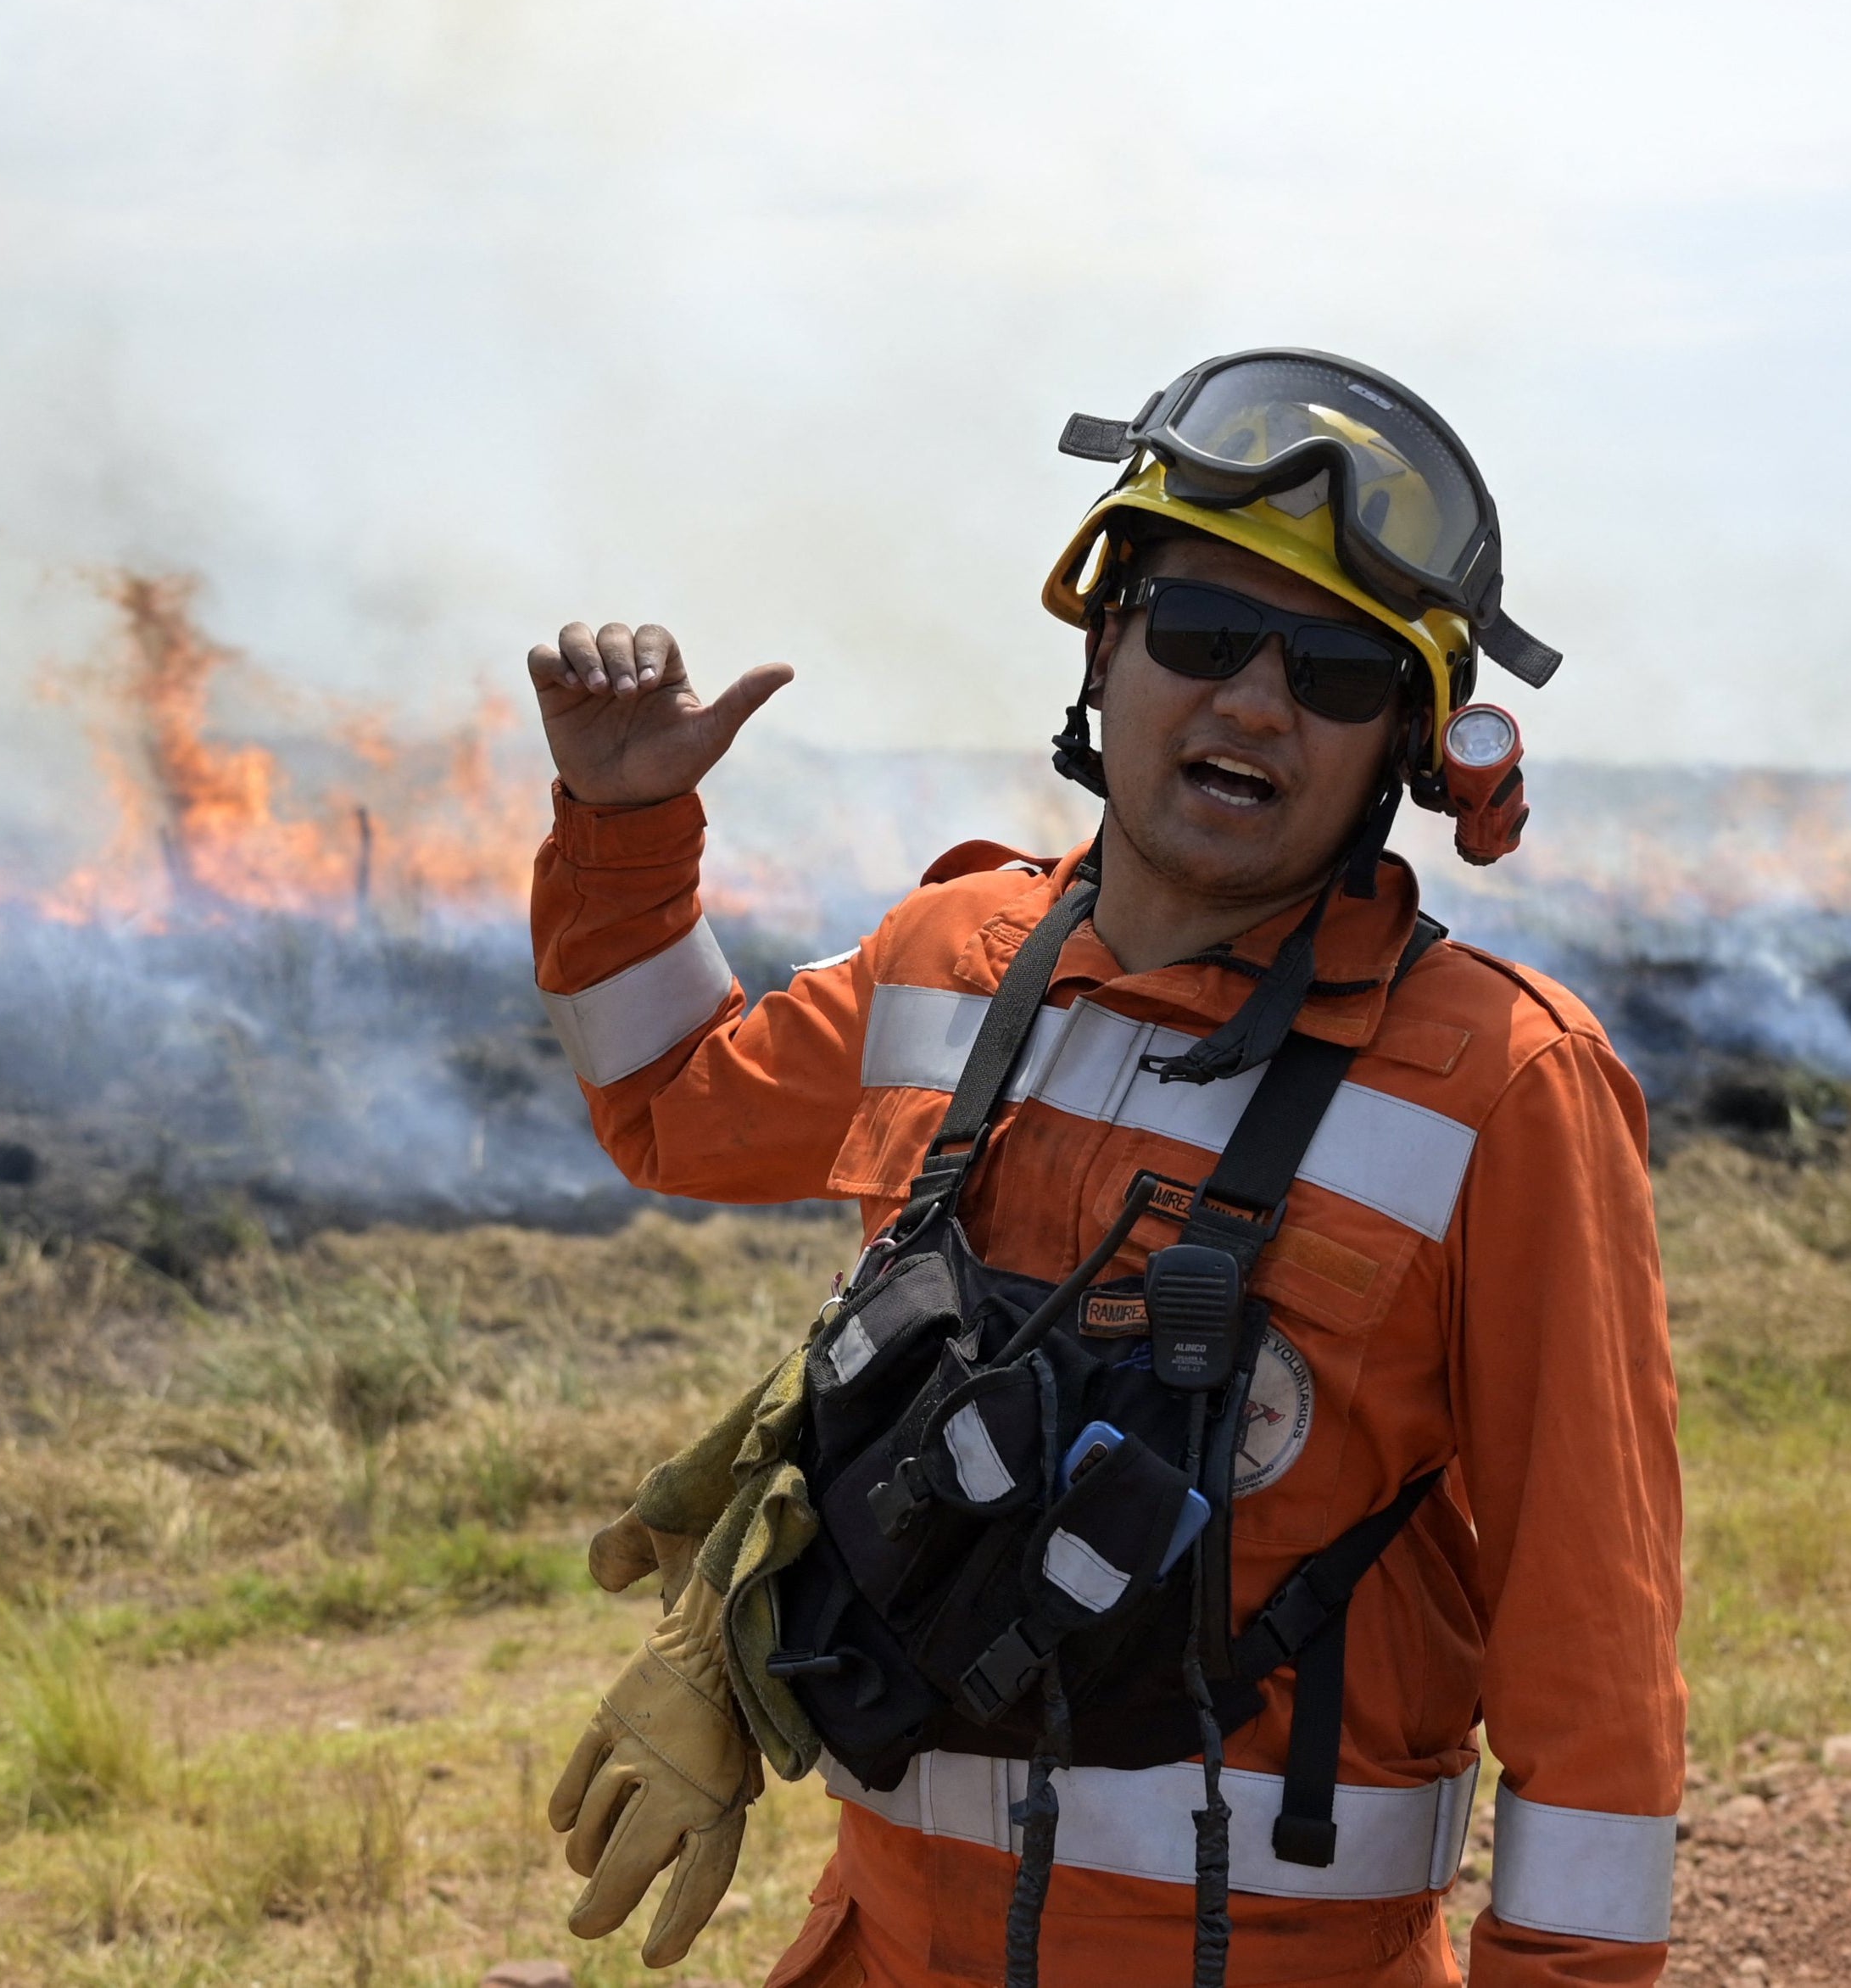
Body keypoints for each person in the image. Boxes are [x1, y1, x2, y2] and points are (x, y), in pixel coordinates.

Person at [529, 351, 1680, 1988]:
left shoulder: (1504, 1089)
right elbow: (666, 1098)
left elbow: (1594, 1642)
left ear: (1405, 757)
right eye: (1206, 637)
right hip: (883, 1948)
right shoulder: (954, 959)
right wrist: (621, 827)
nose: (1259, 702)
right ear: (1107, 641)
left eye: (1339, 677)